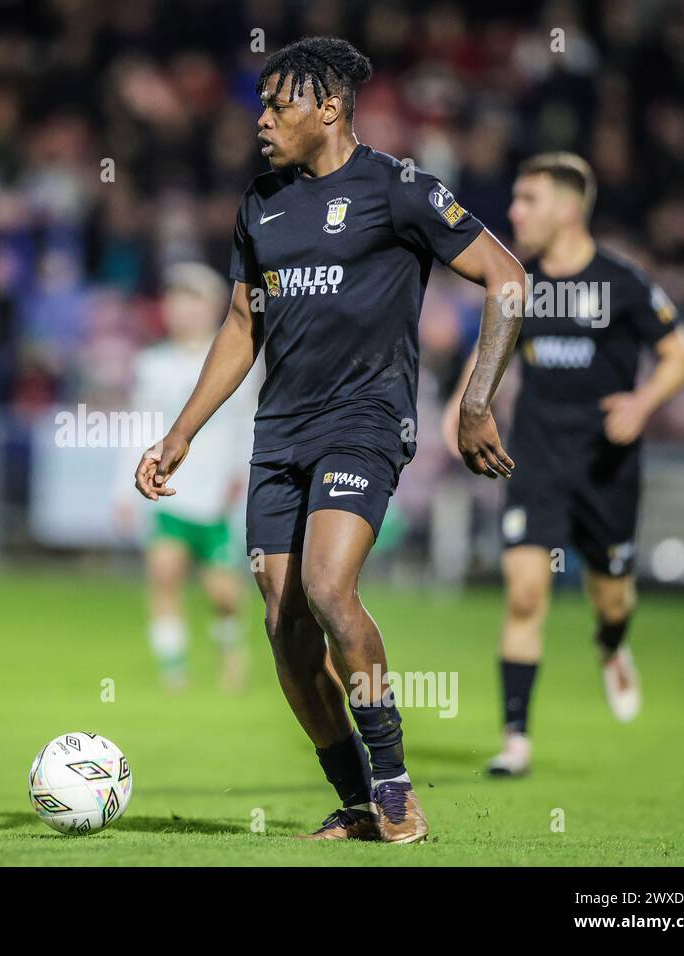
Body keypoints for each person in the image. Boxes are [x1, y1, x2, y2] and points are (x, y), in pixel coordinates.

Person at [133, 37, 525, 843]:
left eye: (280, 104)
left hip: (365, 421)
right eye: (261, 105)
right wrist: (179, 435)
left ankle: (396, 791)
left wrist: (477, 399)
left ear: (331, 107)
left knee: (326, 585)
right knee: (284, 621)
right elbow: (242, 325)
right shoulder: (261, 202)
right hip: (280, 433)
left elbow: (508, 278)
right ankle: (355, 800)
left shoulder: (398, 189)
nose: (263, 119)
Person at [440, 152, 684, 777]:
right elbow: (488, 365)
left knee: (611, 598)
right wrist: (458, 416)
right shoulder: (516, 282)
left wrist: (642, 403)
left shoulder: (624, 282)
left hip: (607, 468)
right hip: (535, 461)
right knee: (526, 595)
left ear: (567, 207)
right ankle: (516, 740)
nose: (514, 211)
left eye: (528, 199)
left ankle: (612, 646)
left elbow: (681, 357)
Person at [115, 263, 257, 693]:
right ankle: (172, 670)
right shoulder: (151, 364)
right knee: (164, 575)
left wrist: (243, 473)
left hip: (218, 495)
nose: (183, 309)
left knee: (223, 594)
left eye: (192, 299)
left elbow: (249, 422)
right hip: (169, 493)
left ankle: (231, 647)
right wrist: (123, 489)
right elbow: (138, 428)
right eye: (175, 299)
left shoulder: (238, 358)